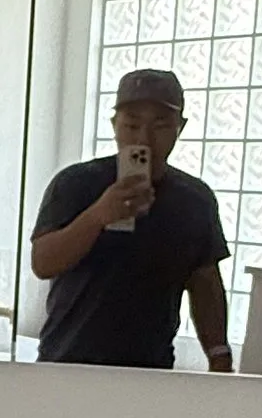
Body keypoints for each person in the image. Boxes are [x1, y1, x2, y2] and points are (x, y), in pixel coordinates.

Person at [29, 68, 235, 370]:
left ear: (180, 127)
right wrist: (98, 215)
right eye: (132, 124)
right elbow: (43, 263)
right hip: (67, 364)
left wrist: (219, 354)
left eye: (161, 125)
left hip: (149, 371)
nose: (144, 138)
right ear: (114, 126)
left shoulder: (194, 199)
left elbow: (204, 282)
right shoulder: (75, 184)